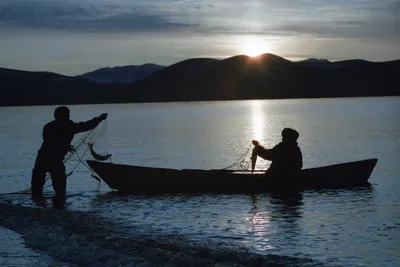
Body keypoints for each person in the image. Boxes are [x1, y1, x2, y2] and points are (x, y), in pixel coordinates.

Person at [31, 106, 108, 208]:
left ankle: (39, 206)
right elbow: (84, 126)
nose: (68, 116)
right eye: (67, 115)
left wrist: (99, 119)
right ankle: (58, 208)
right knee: (59, 189)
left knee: (37, 189)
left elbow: (50, 140)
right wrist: (99, 119)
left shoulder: (49, 126)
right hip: (54, 160)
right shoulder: (68, 126)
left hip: (42, 158)